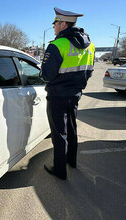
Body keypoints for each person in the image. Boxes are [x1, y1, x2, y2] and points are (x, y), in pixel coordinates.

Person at [40, 7, 95, 180]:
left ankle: (60, 171)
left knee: (59, 133)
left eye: (55, 23)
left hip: (57, 95)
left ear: (63, 24)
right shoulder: (90, 46)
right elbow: (90, 71)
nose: (54, 26)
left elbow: (46, 75)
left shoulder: (57, 45)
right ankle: (72, 161)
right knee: (72, 129)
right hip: (76, 94)